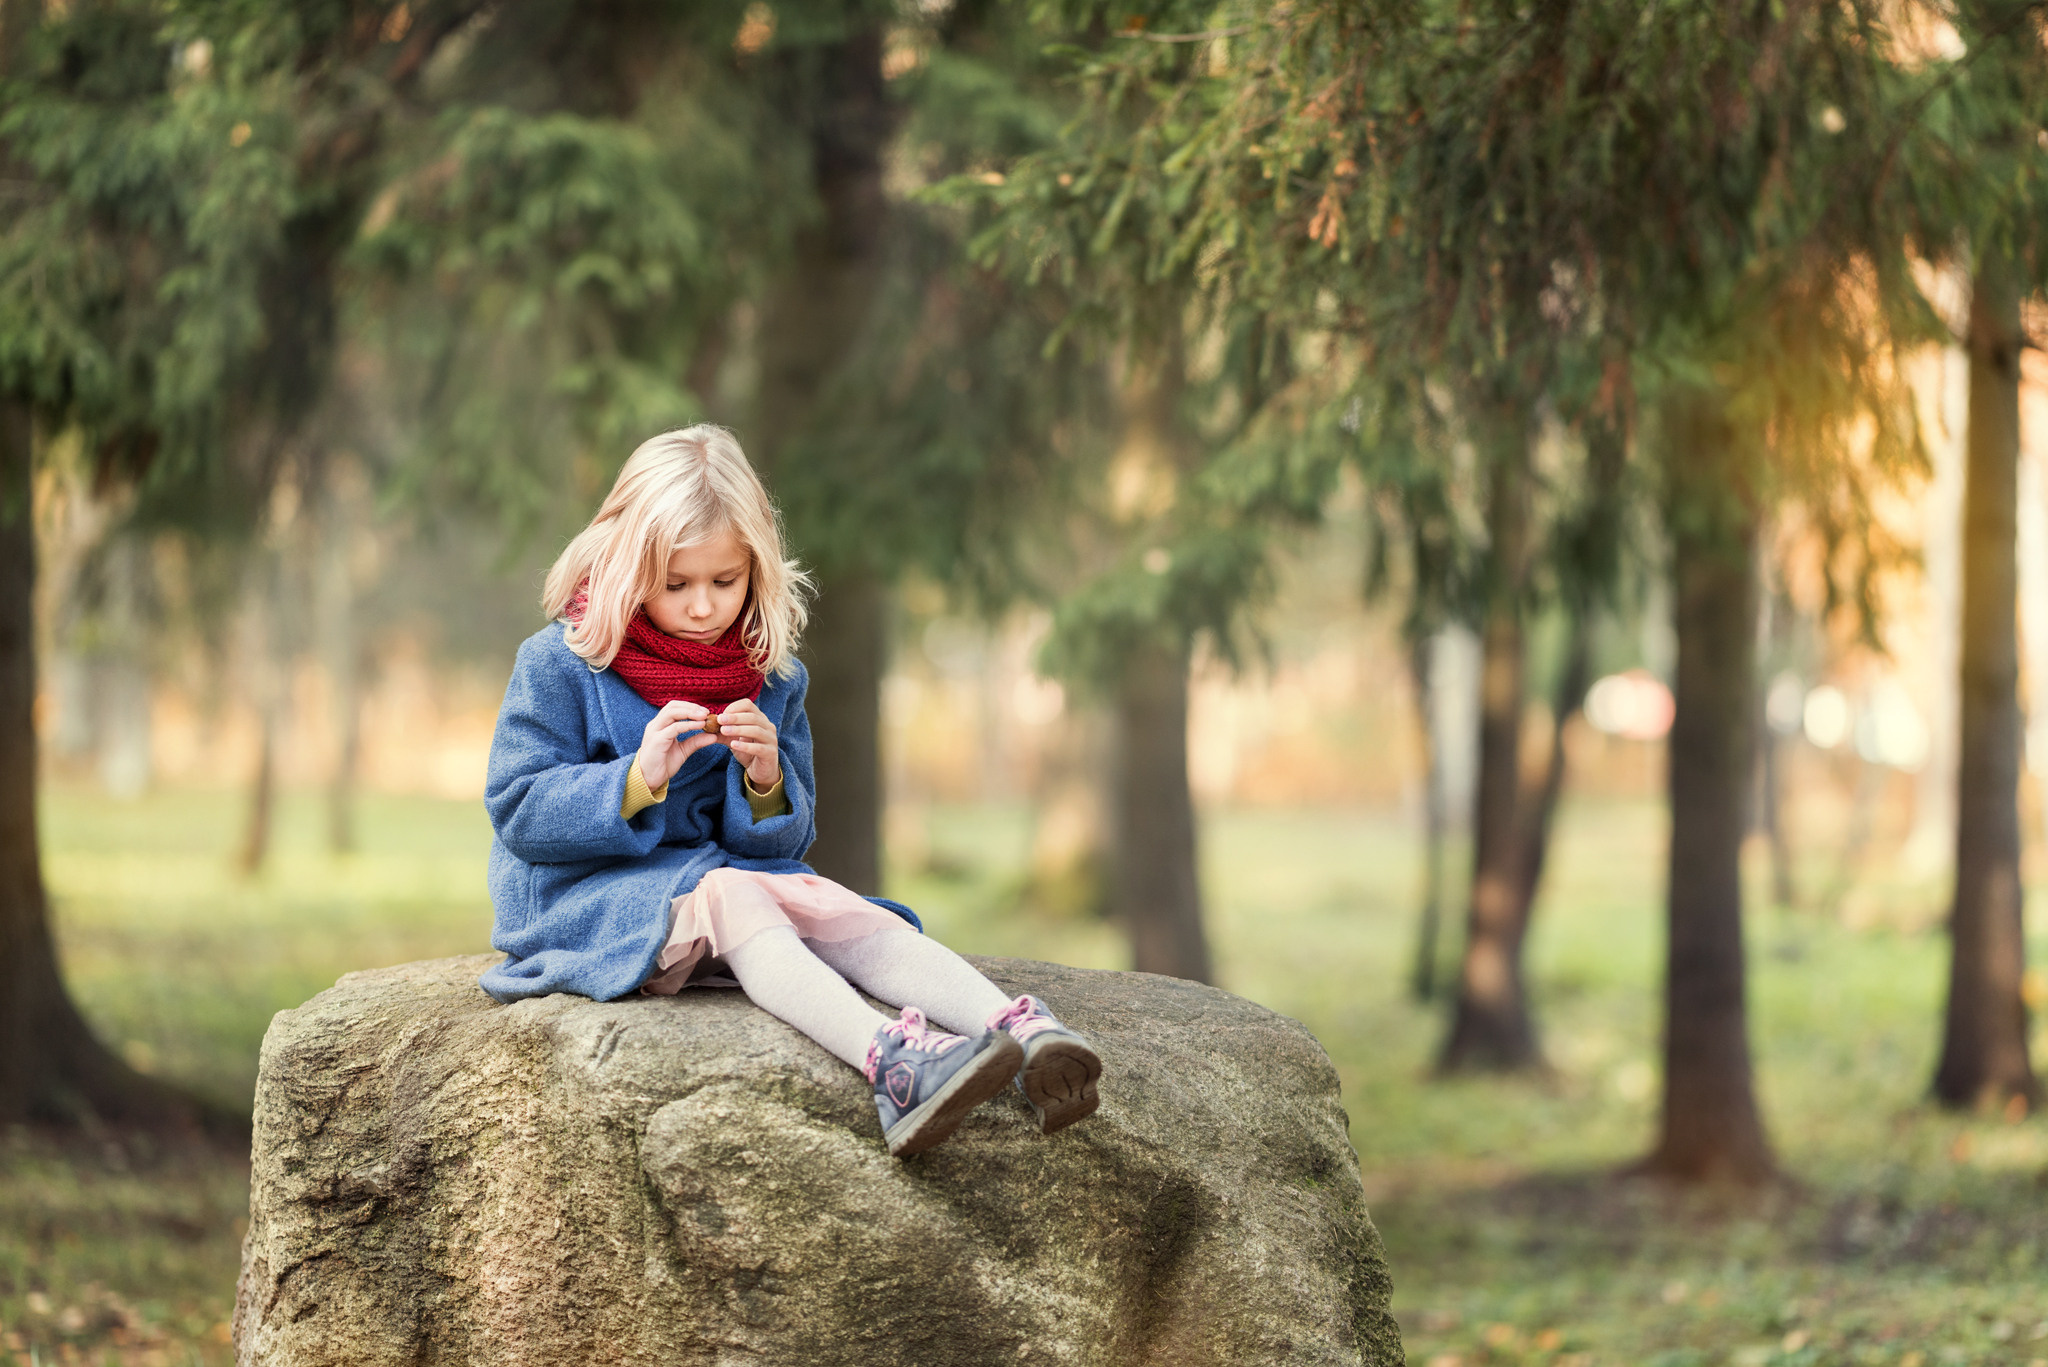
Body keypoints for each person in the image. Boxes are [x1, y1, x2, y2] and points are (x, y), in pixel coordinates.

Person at [479, 425, 1101, 1157]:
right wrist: (635, 780)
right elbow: (519, 807)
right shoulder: (563, 661)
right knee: (736, 893)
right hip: (589, 899)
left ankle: (1017, 1030)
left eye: (725, 581)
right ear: (625, 564)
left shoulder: (770, 675)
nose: (705, 606)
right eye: (676, 584)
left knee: (827, 898)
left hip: (711, 884)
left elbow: (782, 845)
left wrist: (766, 780)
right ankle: (891, 1063)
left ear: (756, 571)